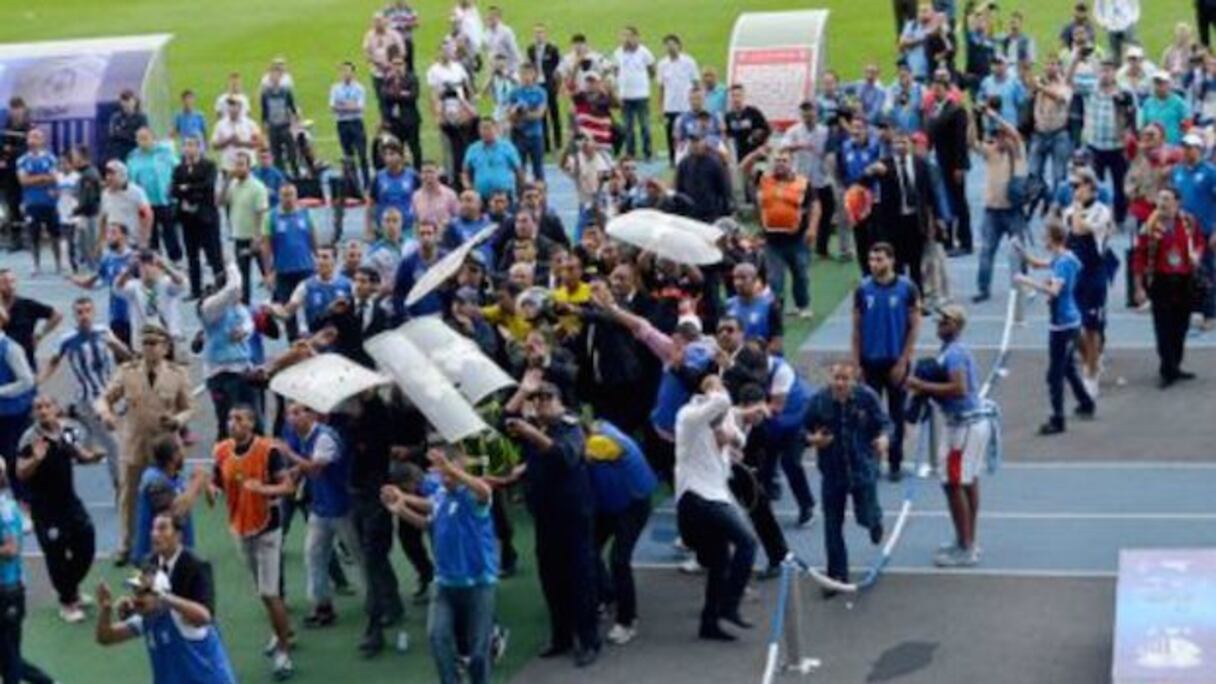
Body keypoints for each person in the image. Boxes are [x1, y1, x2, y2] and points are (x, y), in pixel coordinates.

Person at [503, 378, 600, 667]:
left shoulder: (570, 426)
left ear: (559, 401)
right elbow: (503, 422)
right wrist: (522, 391)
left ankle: (588, 640)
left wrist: (532, 433)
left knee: (580, 579)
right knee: (551, 578)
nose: (542, 403)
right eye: (537, 399)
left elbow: (565, 456)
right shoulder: (536, 426)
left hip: (573, 515)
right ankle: (561, 637)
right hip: (545, 515)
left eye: (547, 398)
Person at [382, 446, 497, 683]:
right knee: (437, 638)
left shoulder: (473, 496)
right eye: (442, 474)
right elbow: (428, 523)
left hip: (477, 584)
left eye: (450, 474)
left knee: (478, 652)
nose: (446, 479)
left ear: (461, 470)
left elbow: (484, 490)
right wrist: (400, 507)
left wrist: (451, 468)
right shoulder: (440, 496)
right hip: (444, 583)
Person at [94, 513, 237, 684]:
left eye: (142, 592)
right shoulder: (147, 618)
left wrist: (165, 598)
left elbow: (204, 616)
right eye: (136, 592)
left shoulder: (182, 617)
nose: (136, 597)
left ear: (178, 534)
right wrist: (106, 609)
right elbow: (106, 637)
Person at [674, 373, 764, 641]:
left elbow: (741, 440)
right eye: (714, 388)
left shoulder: (722, 416)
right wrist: (717, 389)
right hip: (696, 497)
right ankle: (729, 605)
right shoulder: (689, 416)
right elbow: (721, 402)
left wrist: (730, 438)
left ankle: (710, 623)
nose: (721, 391)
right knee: (747, 542)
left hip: (717, 494)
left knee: (720, 561)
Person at [97, 323, 194, 567]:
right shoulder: (127, 372)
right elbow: (104, 399)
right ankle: (126, 545)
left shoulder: (177, 374)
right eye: (145, 343)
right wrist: (106, 414)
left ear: (165, 347)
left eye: (153, 343)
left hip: (166, 446)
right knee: (129, 497)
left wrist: (177, 420)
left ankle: (174, 543)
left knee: (170, 497)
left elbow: (189, 407)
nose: (148, 348)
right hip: (135, 443)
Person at [209, 405, 296, 679]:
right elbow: (217, 482)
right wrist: (210, 490)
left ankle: (284, 651)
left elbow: (288, 487)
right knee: (263, 591)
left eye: (239, 419)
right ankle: (280, 631)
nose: (232, 423)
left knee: (270, 592)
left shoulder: (268, 451)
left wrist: (263, 489)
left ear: (251, 423)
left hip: (267, 527)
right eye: (229, 418)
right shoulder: (222, 451)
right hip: (240, 527)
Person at [906, 305, 990, 567]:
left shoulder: (954, 354)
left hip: (964, 427)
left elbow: (958, 388)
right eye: (940, 320)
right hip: (966, 424)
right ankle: (966, 538)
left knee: (953, 484)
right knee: (966, 481)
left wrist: (921, 385)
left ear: (958, 325)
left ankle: (966, 546)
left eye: (947, 320)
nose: (940, 324)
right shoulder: (950, 351)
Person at [803, 360, 889, 594]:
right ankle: (836, 575)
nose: (840, 383)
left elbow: (884, 423)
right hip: (832, 473)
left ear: (854, 379)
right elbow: (802, 429)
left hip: (862, 470)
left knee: (866, 516)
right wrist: (812, 440)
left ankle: (874, 521)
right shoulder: (818, 401)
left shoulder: (867, 397)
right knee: (832, 525)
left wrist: (883, 437)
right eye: (836, 378)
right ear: (830, 378)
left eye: (845, 378)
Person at [16, 395, 101, 623]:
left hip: (70, 501)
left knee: (87, 542)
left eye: (47, 406)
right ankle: (67, 601)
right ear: (33, 413)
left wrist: (93, 456)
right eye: (38, 408)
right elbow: (21, 472)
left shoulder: (66, 431)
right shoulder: (30, 439)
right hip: (45, 509)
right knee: (57, 556)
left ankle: (70, 589)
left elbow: (78, 454)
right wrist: (36, 459)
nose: (43, 411)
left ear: (56, 408)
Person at [38, 297, 130, 492]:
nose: (84, 316)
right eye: (80, 312)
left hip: (111, 396)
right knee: (114, 445)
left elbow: (126, 355)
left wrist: (116, 345)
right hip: (90, 400)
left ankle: (78, 432)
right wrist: (39, 381)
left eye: (88, 311)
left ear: (94, 312)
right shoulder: (67, 339)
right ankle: (120, 488)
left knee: (108, 441)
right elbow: (54, 361)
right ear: (74, 315)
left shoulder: (104, 332)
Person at [1016, 221, 1096, 435]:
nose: (1043, 240)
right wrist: (1023, 254)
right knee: (1067, 367)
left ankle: (1057, 418)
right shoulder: (1065, 257)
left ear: (1053, 239)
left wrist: (1027, 281)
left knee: (1054, 375)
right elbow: (1039, 264)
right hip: (1069, 319)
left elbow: (1054, 291)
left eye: (1046, 236)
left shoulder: (1062, 264)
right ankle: (1085, 402)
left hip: (1062, 324)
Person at [852, 243, 919, 480]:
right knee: (869, 414)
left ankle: (895, 463)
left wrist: (903, 360)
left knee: (896, 414)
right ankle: (872, 461)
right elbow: (856, 329)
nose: (874, 264)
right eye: (871, 259)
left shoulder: (907, 288)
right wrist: (856, 363)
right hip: (869, 361)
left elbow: (914, 327)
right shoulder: (863, 289)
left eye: (879, 259)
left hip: (895, 361)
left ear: (891, 260)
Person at [1133, 187, 1205, 387]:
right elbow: (1139, 256)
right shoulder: (1150, 225)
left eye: (1166, 199)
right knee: (1163, 327)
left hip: (1184, 279)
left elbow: (1200, 241)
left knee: (1181, 326)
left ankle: (1175, 364)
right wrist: (1139, 287)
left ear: (1177, 202)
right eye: (1160, 198)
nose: (1162, 203)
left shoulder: (1188, 221)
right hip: (1161, 279)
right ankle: (1167, 369)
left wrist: (1197, 254)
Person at [740, 146, 817, 317]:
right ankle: (776, 309)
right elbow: (743, 168)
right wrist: (756, 154)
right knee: (774, 278)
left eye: (784, 161)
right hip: (772, 241)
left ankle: (802, 305)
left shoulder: (803, 183)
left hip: (797, 239)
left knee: (801, 274)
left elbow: (814, 205)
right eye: (777, 161)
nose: (780, 164)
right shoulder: (763, 179)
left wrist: (812, 228)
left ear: (792, 163)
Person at [0, 461, 56, 684]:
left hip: (7, 591)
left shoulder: (4, 511)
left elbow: (11, 550)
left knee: (8, 659)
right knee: (8, 656)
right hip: (8, 590)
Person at [973, 109, 1027, 304]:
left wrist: (993, 115)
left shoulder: (1018, 152)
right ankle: (983, 289)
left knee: (1019, 252)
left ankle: (1023, 285)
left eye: (1003, 136)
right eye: (996, 136)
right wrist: (971, 118)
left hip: (1013, 211)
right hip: (992, 211)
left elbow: (1015, 133)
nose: (999, 140)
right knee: (986, 251)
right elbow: (971, 142)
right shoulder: (991, 152)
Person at [132, 435, 206, 566]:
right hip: (154, 561)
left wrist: (201, 485)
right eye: (182, 449)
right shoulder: (154, 481)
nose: (185, 453)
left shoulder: (173, 477)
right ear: (174, 456)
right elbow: (175, 512)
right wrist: (197, 483)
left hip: (175, 556)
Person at [261, 183, 318, 340]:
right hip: (283, 271)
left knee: (312, 307)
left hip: (306, 269)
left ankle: (315, 340)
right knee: (287, 312)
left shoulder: (305, 213)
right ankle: (293, 342)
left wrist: (318, 257)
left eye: (291, 195)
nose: (288, 199)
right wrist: (268, 272)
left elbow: (312, 237)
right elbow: (266, 246)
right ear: (279, 197)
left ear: (296, 196)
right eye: (285, 195)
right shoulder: (270, 217)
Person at [171, 137, 223, 299]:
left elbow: (207, 186)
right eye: (186, 145)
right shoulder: (179, 169)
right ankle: (195, 289)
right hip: (187, 218)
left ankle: (221, 286)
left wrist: (187, 189)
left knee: (214, 254)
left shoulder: (209, 166)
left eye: (192, 145)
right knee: (192, 256)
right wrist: (189, 191)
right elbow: (173, 190)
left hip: (206, 218)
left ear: (199, 148)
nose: (189, 149)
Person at [927, 69, 973, 254]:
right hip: (941, 162)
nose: (935, 92)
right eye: (933, 89)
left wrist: (960, 166)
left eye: (938, 89)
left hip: (953, 165)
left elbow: (960, 141)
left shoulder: (956, 110)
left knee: (958, 202)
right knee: (945, 201)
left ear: (947, 90)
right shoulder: (935, 110)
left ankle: (965, 241)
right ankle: (948, 240)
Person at [126, 128, 181, 267]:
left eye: (145, 138)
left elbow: (178, 169)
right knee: (150, 232)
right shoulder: (133, 157)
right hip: (145, 202)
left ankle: (175, 259)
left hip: (164, 199)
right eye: (139, 138)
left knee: (169, 230)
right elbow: (130, 179)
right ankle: (154, 260)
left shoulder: (164, 152)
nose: (142, 142)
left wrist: (174, 187)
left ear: (153, 138)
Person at [221, 151, 269, 304]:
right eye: (236, 165)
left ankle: (277, 302)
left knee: (267, 272)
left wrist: (257, 236)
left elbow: (261, 213)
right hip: (239, 237)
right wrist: (226, 181)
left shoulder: (257, 187)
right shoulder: (233, 185)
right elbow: (220, 202)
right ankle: (245, 305)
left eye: (241, 165)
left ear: (249, 167)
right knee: (243, 276)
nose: (238, 168)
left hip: (256, 238)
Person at [115, 250, 188, 348]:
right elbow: (118, 287)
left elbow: (182, 283)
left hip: (169, 336)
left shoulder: (167, 283)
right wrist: (129, 268)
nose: (147, 269)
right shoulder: (133, 287)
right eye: (143, 266)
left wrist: (165, 266)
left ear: (158, 268)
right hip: (144, 339)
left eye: (151, 265)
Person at [0, 306, 34, 507]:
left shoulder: (10, 348)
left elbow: (27, 381)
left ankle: (25, 506)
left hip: (12, 415)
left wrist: (1, 391)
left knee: (13, 461)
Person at [15, 128, 60, 274]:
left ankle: (58, 264)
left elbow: (54, 177)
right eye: (31, 137)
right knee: (34, 235)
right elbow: (23, 181)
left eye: (37, 137)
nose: (33, 140)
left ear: (43, 140)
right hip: (31, 202)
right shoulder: (22, 160)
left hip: (50, 202)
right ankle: (36, 265)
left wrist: (33, 178)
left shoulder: (51, 158)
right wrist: (43, 178)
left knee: (55, 235)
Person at [0, 268, 61, 370]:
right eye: (5, 282)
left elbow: (56, 315)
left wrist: (40, 335)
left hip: (25, 361)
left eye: (12, 281)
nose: (10, 286)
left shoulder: (27, 305)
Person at [657, 34, 700, 166]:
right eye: (667, 45)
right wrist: (660, 108)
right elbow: (661, 88)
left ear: (679, 45)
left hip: (686, 106)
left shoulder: (689, 62)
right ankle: (673, 160)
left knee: (690, 133)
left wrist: (697, 102)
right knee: (671, 135)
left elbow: (696, 83)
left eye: (673, 44)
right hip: (670, 107)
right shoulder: (662, 64)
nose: (670, 47)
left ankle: (691, 157)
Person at [330, 62, 371, 193]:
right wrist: (350, 105)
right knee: (348, 156)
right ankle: (354, 184)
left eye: (348, 71)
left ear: (353, 73)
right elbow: (333, 107)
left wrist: (342, 105)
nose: (346, 73)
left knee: (362, 154)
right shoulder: (335, 88)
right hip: (342, 124)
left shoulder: (359, 88)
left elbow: (359, 107)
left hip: (356, 123)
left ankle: (367, 183)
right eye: (343, 71)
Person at [462, 118, 523, 202]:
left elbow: (518, 170)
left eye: (488, 128)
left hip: (504, 197)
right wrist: (468, 187)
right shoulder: (473, 149)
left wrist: (520, 191)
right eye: (482, 128)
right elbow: (465, 172)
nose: (485, 131)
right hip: (481, 197)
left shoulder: (507, 147)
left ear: (496, 129)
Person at [507, 63, 548, 183]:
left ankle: (540, 192)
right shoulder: (514, 92)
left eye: (529, 74)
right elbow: (509, 116)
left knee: (538, 168)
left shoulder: (541, 92)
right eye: (523, 74)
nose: (526, 77)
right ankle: (521, 191)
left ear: (534, 75)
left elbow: (539, 115)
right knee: (519, 168)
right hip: (518, 135)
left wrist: (523, 113)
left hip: (535, 135)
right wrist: (516, 112)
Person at [210, 97, 262, 179]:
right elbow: (214, 145)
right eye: (230, 105)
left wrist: (241, 143)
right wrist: (228, 141)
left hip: (248, 167)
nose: (232, 108)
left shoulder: (250, 124)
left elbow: (258, 143)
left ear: (240, 107)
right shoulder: (220, 124)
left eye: (234, 105)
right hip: (228, 167)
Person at [106, 90, 149, 164]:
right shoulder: (116, 118)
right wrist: (131, 134)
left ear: (134, 101)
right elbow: (113, 135)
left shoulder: (141, 118)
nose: (126, 103)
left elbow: (143, 135)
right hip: (120, 154)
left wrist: (123, 133)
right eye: (124, 100)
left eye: (128, 100)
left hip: (136, 153)